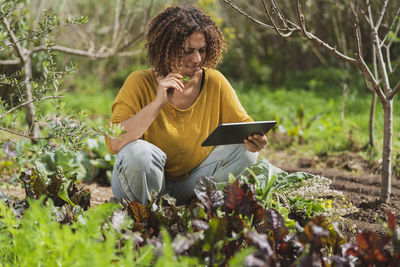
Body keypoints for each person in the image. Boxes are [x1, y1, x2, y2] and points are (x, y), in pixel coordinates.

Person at [105, 5, 267, 205]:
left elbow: (244, 128)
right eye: (187, 51)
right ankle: (147, 216)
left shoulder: (214, 82)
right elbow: (115, 142)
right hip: (144, 186)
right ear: (166, 49)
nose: (197, 59)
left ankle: (195, 206)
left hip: (190, 184)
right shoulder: (139, 81)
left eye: (202, 50)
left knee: (244, 151)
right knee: (138, 153)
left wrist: (255, 140)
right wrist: (157, 103)